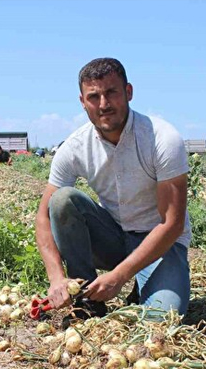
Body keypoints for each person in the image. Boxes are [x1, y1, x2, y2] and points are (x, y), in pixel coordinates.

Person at [35, 58, 190, 323]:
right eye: (94, 97)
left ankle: (145, 285)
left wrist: (119, 276)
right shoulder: (74, 147)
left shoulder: (161, 139)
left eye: (111, 93)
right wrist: (56, 278)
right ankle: (86, 300)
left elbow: (172, 224)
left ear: (128, 92)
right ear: (83, 102)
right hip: (115, 237)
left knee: (161, 320)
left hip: (162, 244)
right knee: (61, 201)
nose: (104, 104)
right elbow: (43, 218)